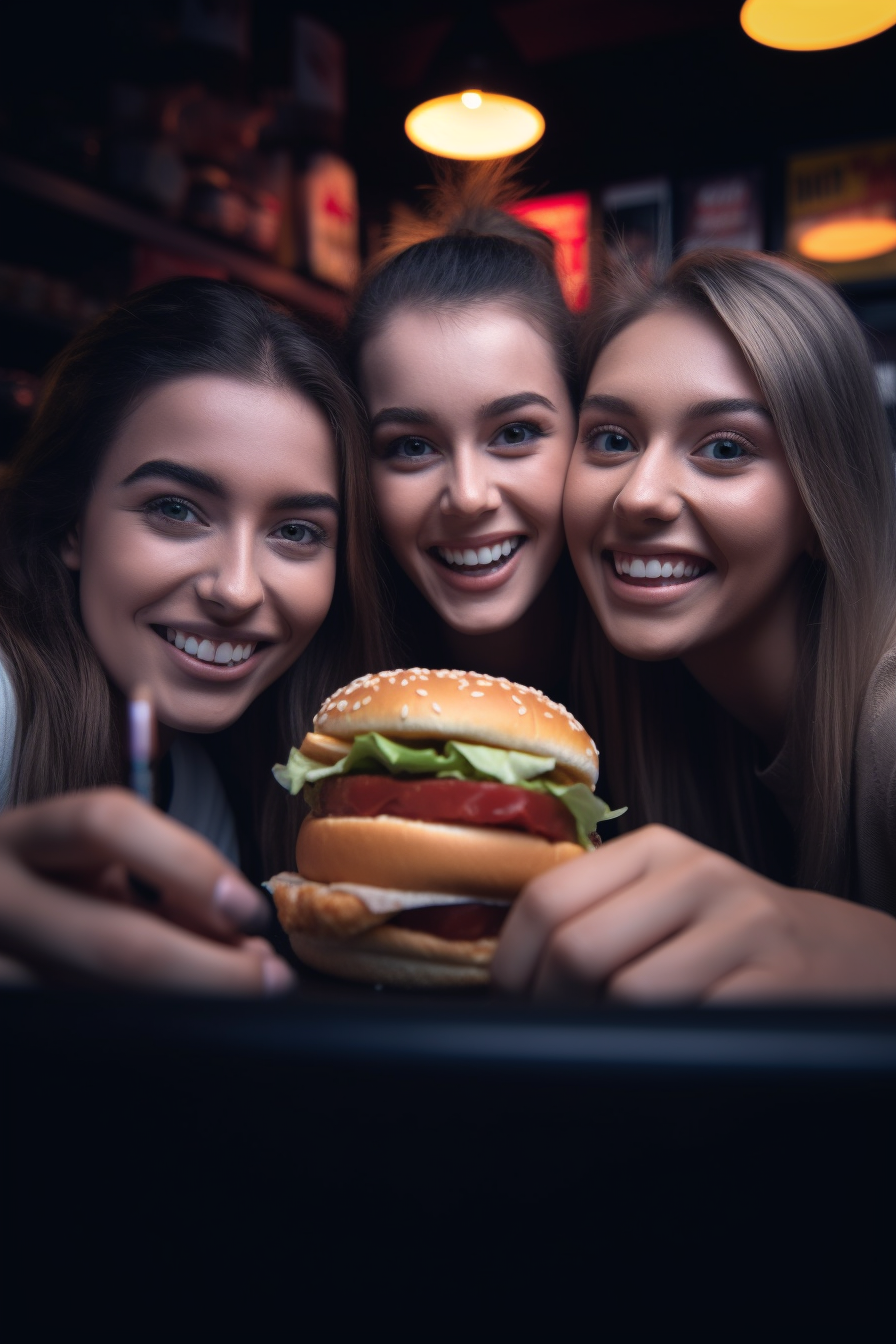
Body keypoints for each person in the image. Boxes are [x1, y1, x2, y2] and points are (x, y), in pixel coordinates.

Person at [492, 249, 896, 1001]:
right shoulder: (649, 713)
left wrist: (848, 948)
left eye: (724, 449)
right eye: (612, 440)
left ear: (823, 500)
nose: (641, 496)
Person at [0, 278, 386, 989]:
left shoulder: (197, 793)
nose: (236, 589)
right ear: (71, 523)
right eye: (176, 510)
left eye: (296, 531)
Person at [345, 163, 579, 701]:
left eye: (515, 433)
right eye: (412, 447)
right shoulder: (320, 689)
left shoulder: (676, 677)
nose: (469, 497)